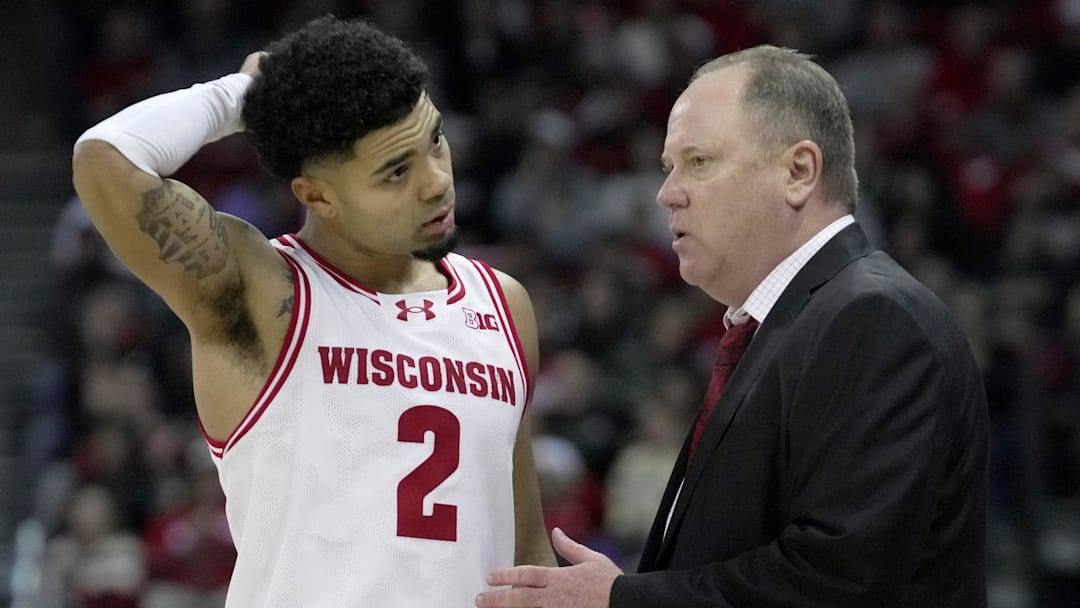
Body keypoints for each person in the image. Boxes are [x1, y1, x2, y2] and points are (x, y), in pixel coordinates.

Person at [476, 44, 988, 608]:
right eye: (669, 167)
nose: (667, 194)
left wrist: (622, 600)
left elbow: (840, 585)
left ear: (798, 172)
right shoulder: (792, 323)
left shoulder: (873, 319)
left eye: (699, 162)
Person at [71, 15, 555, 607]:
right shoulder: (262, 294)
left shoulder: (503, 305)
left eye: (435, 141)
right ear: (317, 195)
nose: (436, 183)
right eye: (396, 171)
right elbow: (104, 156)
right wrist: (241, 95)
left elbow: (526, 553)